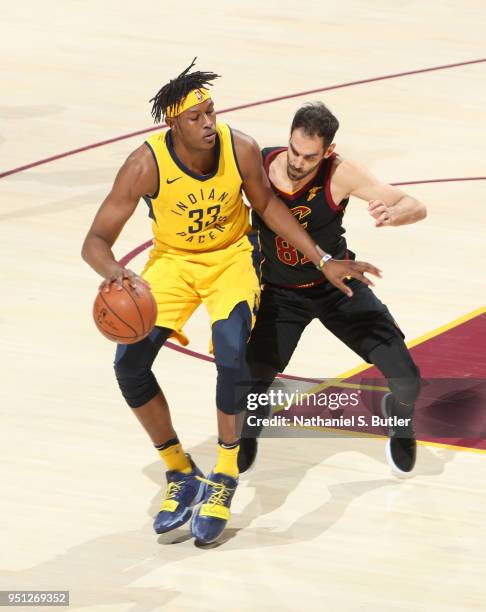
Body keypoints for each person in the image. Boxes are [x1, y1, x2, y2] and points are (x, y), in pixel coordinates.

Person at [81, 61, 380, 544]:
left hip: (231, 259)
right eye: (196, 117)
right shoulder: (144, 165)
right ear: (173, 124)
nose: (207, 123)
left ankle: (224, 475)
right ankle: (180, 470)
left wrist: (322, 257)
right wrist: (114, 273)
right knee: (129, 363)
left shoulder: (237, 148)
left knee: (232, 355)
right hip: (173, 263)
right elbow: (95, 240)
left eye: (211, 112)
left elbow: (266, 205)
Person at [239, 101, 427, 477]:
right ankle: (250, 424)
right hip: (280, 292)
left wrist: (395, 215)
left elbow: (414, 204)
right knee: (247, 389)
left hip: (336, 284)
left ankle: (398, 417)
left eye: (309, 157)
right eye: (294, 150)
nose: (297, 162)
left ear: (328, 152)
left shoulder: (341, 173)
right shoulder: (256, 164)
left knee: (408, 380)